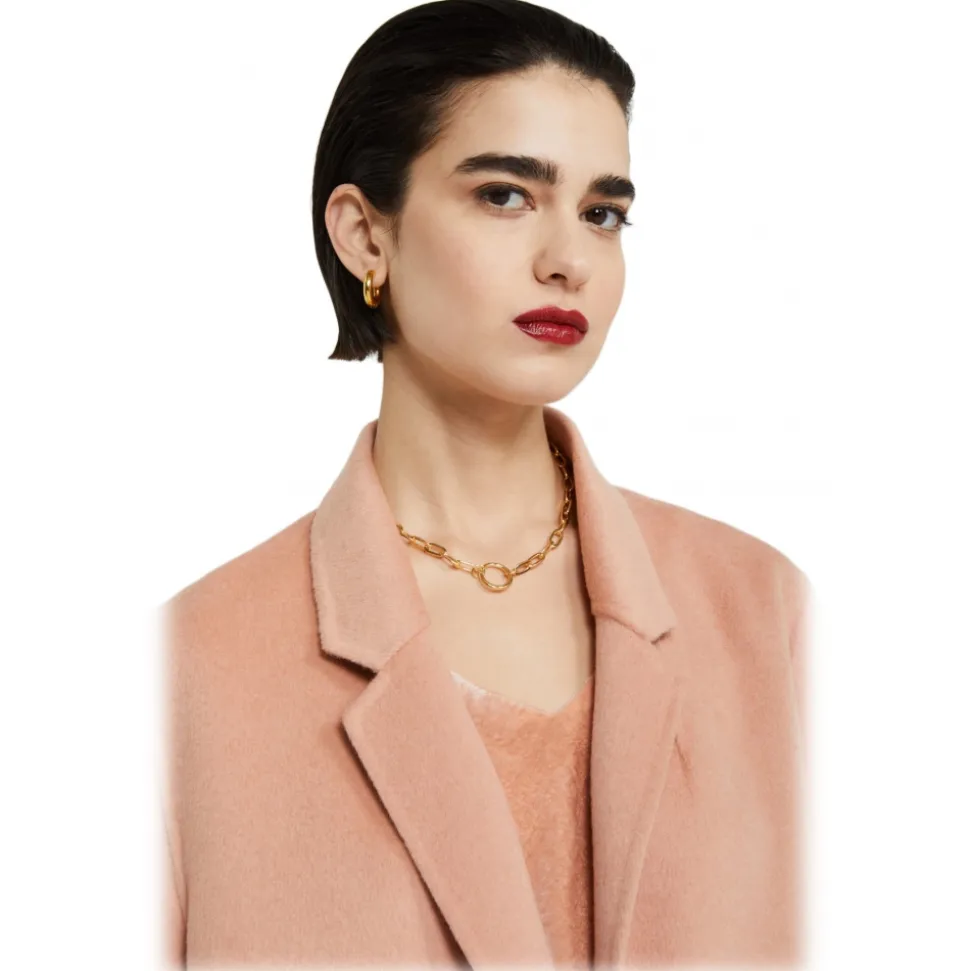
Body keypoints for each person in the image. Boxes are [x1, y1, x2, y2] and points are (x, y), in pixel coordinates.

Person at [161, 0, 812, 967]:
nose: (569, 260)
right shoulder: (188, 670)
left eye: (602, 213)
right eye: (506, 195)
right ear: (364, 236)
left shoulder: (765, 613)